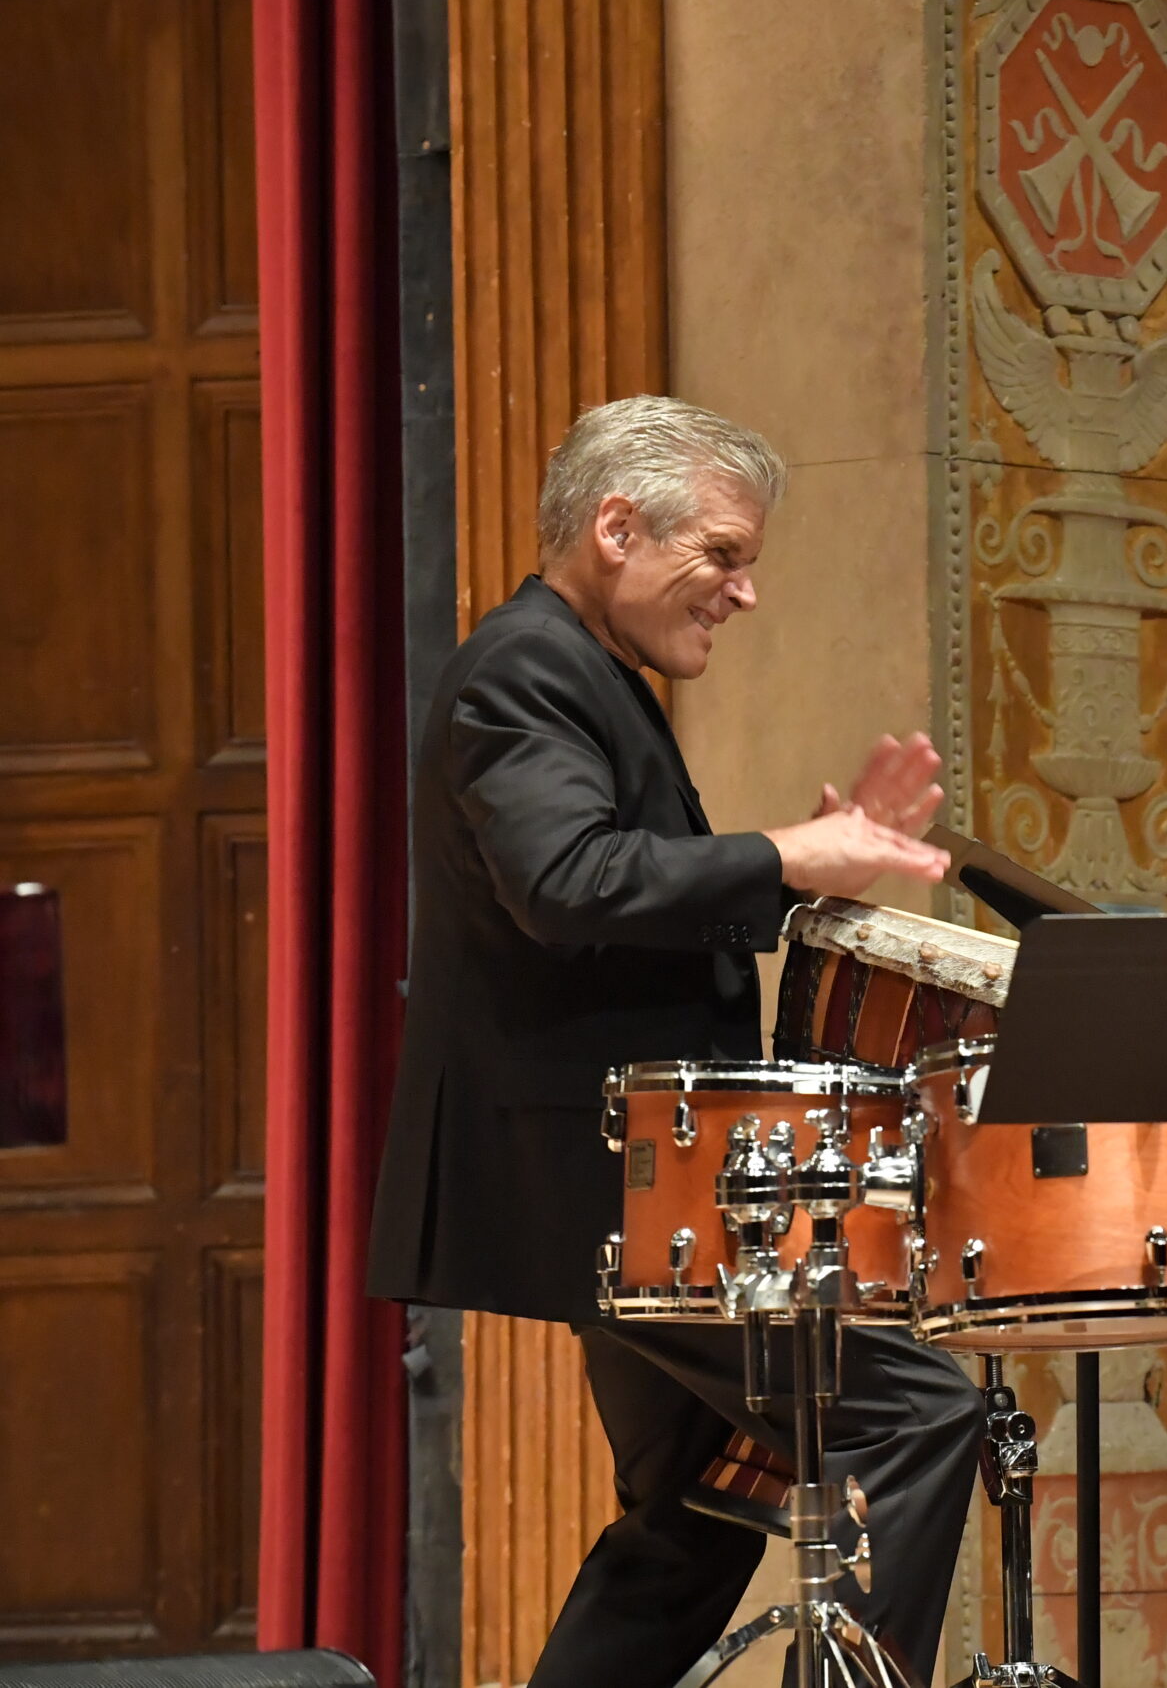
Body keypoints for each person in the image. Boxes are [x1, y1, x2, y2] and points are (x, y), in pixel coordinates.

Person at [367, 396, 981, 1687]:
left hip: (631, 1189)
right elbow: (567, 881)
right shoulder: (526, 667)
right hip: (611, 1189)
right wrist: (782, 854)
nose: (743, 592)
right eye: (724, 555)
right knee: (924, 1412)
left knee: (691, 1520)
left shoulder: (575, 669)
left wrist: (805, 884)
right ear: (614, 528)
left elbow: (608, 894)